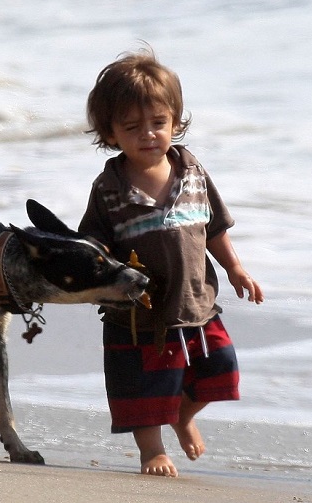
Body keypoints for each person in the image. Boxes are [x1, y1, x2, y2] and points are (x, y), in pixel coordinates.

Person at [78, 49, 264, 477]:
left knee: (220, 368)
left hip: (196, 301)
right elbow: (94, 245)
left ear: (176, 121)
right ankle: (152, 452)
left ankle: (182, 414)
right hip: (140, 311)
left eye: (158, 123)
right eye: (132, 127)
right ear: (111, 133)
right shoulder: (109, 187)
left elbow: (213, 227)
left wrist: (235, 268)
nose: (148, 135)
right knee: (143, 387)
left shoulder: (192, 169)